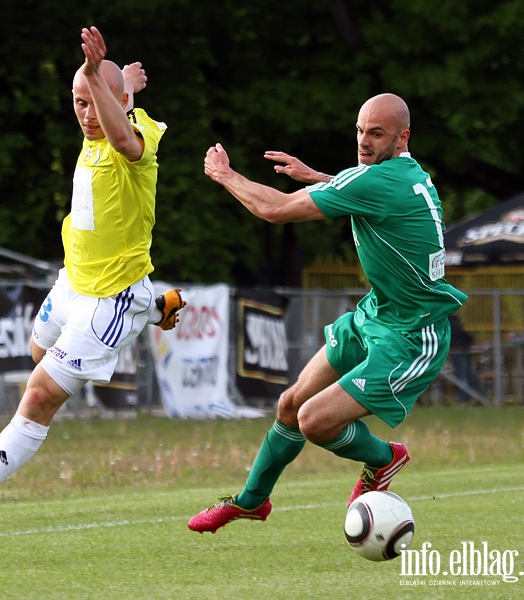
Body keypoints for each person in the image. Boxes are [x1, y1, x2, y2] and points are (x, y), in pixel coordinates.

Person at [0, 25, 185, 539]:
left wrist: (115, 89)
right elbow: (109, 103)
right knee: (39, 356)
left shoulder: (136, 138)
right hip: (71, 286)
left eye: (91, 100)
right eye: (77, 101)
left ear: (119, 103)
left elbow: (124, 133)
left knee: (37, 397)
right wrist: (113, 81)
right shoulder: (103, 117)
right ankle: (156, 305)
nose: (84, 112)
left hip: (110, 299)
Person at [188, 93, 468, 534]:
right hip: (376, 314)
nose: (363, 140)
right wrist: (317, 177)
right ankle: (251, 502)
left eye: (375, 133)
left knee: (314, 421)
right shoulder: (403, 174)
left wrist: (225, 175)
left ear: (402, 136)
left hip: (412, 335)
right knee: (290, 403)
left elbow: (275, 209)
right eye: (359, 130)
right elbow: (366, 189)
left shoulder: (377, 184)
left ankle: (384, 458)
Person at [448, 313, 481, 404]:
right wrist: (471, 338)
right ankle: (463, 399)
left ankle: (467, 398)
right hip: (458, 352)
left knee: (469, 377)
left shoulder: (453, 321)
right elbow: (460, 334)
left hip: (462, 352)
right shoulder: (451, 321)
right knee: (462, 377)